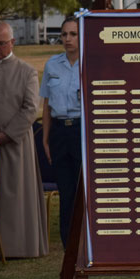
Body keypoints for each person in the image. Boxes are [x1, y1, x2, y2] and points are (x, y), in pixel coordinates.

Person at [0, 22, 48, 258]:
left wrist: (7, 134)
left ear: (12, 43)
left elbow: (30, 109)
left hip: (15, 144)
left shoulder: (26, 72)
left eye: (1, 43)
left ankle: (15, 246)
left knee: (14, 194)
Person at [40, 16, 82, 248]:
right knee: (65, 193)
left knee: (82, 193)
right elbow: (47, 104)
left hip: (81, 131)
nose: (67, 39)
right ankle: (70, 246)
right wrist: (46, 139)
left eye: (73, 34)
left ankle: (87, 242)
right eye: (64, 34)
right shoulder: (52, 65)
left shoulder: (90, 63)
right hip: (59, 133)